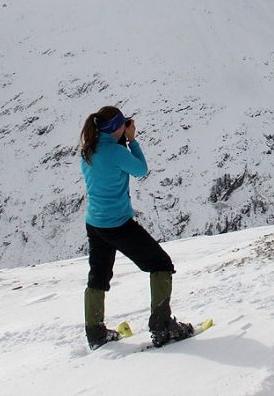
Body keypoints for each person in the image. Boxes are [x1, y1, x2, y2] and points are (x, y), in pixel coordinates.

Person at [79, 105, 193, 349]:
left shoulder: (88, 150)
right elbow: (141, 170)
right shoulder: (117, 152)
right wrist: (132, 141)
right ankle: (162, 327)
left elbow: (106, 167)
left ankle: (95, 333)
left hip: (95, 223)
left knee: (98, 276)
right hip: (118, 224)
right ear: (118, 127)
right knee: (161, 265)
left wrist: (121, 140)